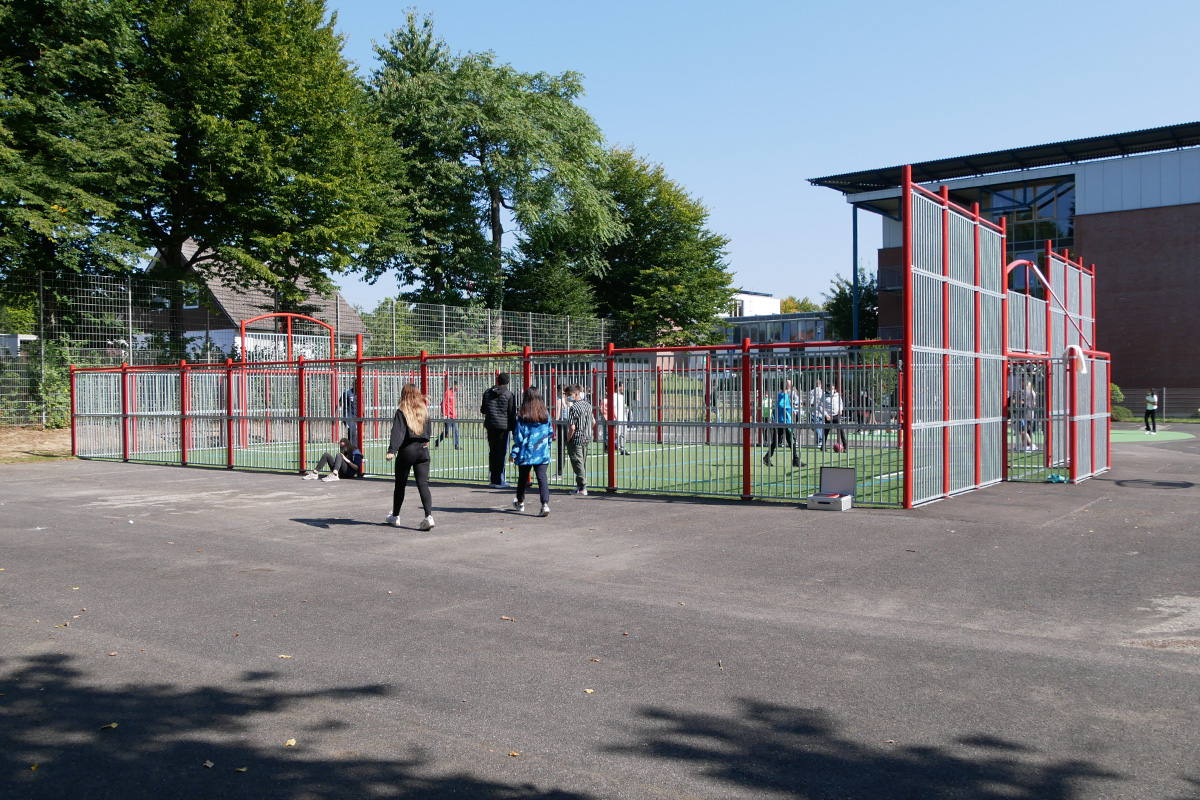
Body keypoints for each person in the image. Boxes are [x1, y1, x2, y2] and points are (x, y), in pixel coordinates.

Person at [385, 384, 434, 531]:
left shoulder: (401, 411)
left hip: (407, 451)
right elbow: (428, 432)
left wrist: (392, 450)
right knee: (423, 485)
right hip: (423, 450)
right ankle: (428, 516)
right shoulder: (423, 411)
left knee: (400, 485)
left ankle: (395, 516)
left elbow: (398, 432)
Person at [510, 386, 552, 517]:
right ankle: (545, 504)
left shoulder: (523, 416)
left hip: (526, 452)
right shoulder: (545, 415)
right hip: (542, 452)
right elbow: (550, 433)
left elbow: (519, 437)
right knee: (542, 478)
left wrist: (514, 452)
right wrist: (547, 447)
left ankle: (520, 502)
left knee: (522, 478)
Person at [480, 372, 517, 488]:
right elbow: (511, 414)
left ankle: (493, 479)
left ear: (497, 380)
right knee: (501, 452)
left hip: (490, 425)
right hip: (503, 427)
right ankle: (499, 480)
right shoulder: (509, 394)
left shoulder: (487, 392)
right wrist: (514, 429)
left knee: (493, 452)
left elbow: (483, 410)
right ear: (507, 382)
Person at [763, 379, 802, 468]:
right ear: (788, 386)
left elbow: (776, 406)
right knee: (791, 441)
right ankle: (795, 460)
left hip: (781, 421)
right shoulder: (783, 395)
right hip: (784, 422)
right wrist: (792, 409)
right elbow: (780, 405)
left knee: (778, 441)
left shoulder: (782, 395)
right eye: (790, 384)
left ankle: (767, 457)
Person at [565, 384, 595, 496]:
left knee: (577, 462)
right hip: (586, 437)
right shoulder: (588, 405)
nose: (568, 397)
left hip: (576, 438)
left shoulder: (573, 408)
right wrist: (587, 429)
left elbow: (572, 427)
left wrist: (568, 438)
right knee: (582, 462)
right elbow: (593, 422)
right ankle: (580, 486)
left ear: (576, 394)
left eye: (569, 394)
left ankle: (582, 487)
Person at [822, 382, 848, 452]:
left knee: (841, 431)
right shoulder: (824, 396)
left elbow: (840, 403)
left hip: (836, 415)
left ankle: (845, 446)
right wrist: (826, 414)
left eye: (832, 388)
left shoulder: (837, 395)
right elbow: (820, 406)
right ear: (827, 388)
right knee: (826, 431)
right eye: (830, 388)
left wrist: (840, 409)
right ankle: (823, 446)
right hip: (828, 416)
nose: (831, 389)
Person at [435, 380, 460, 449]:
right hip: (448, 416)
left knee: (455, 431)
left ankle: (456, 445)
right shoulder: (448, 393)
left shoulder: (453, 394)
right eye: (457, 386)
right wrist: (445, 414)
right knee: (446, 431)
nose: (457, 388)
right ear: (454, 386)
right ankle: (437, 442)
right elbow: (443, 404)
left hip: (453, 416)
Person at [554, 385, 572, 478]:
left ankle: (559, 472)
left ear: (559, 390)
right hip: (569, 424)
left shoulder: (559, 400)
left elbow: (557, 417)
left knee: (560, 449)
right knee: (570, 447)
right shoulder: (570, 401)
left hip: (561, 424)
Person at [612, 381, 630, 455]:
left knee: (623, 434)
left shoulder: (622, 396)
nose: (623, 388)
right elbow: (613, 407)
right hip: (617, 418)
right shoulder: (614, 396)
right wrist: (615, 416)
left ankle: (622, 449)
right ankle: (609, 445)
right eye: (622, 386)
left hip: (623, 418)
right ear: (618, 387)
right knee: (617, 433)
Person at [807, 379, 825, 449]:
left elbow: (811, 402)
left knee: (814, 426)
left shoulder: (812, 391)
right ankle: (818, 441)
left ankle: (820, 440)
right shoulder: (823, 392)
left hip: (814, 411)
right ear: (820, 385)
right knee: (820, 426)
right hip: (821, 412)